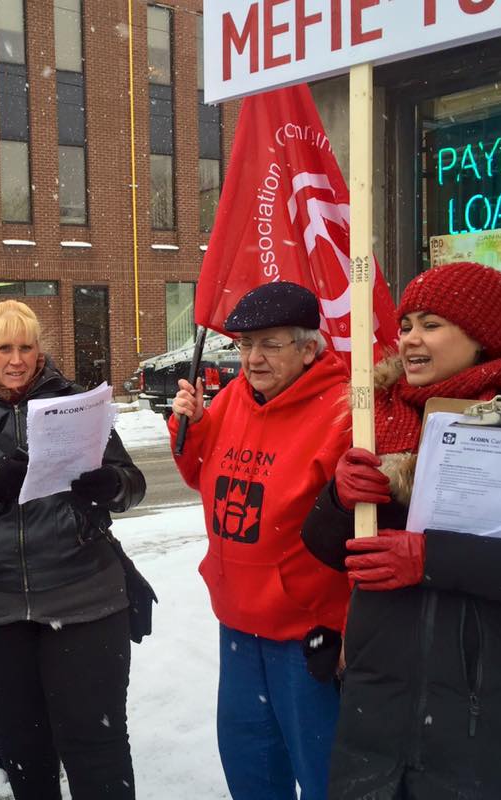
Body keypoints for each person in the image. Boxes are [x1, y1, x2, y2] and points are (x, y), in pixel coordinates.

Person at [302, 262, 501, 800]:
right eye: (406, 324)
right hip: (376, 715)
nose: (409, 338)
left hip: (489, 723)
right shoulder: (375, 419)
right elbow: (325, 548)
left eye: (430, 324)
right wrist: (338, 499)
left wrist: (433, 558)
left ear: (482, 337)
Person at [0, 299, 145, 800]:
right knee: (25, 749)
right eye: (3, 348)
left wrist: (110, 484)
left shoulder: (80, 403)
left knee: (97, 742)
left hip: (84, 596)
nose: (17, 360)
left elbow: (133, 485)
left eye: (26, 347)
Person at [169, 282, 352, 800]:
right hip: (238, 625)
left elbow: (366, 531)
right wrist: (195, 429)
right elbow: (203, 478)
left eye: (270, 344)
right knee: (252, 770)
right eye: (245, 344)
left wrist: (347, 624)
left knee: (324, 775)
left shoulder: (343, 412)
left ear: (309, 347)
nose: (252, 358)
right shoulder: (231, 400)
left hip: (307, 633)